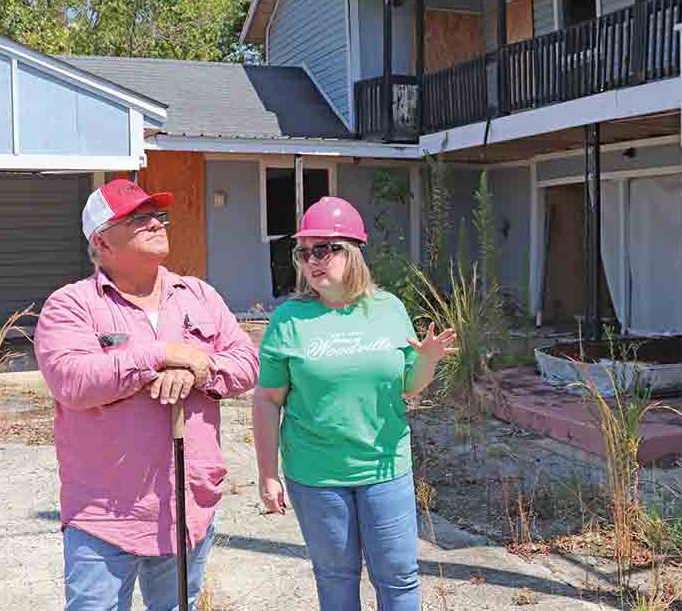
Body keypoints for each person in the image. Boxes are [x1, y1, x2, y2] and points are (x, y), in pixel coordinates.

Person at [34, 178, 260, 611]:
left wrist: (197, 368)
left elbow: (246, 362)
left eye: (157, 215)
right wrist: (159, 355)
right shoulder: (71, 305)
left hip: (186, 507)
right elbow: (73, 380)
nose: (156, 222)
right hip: (105, 515)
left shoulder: (198, 295)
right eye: (139, 218)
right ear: (102, 240)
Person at [252, 196, 457, 611]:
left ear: (353, 252)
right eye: (304, 251)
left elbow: (409, 386)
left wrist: (429, 361)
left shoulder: (388, 309)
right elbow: (268, 400)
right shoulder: (288, 321)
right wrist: (267, 474)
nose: (312, 260)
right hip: (316, 477)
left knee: (398, 578)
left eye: (324, 249)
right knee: (335, 579)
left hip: (386, 468)